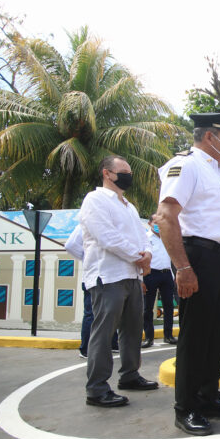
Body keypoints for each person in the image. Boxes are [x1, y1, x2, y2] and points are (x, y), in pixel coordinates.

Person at [155, 111, 220, 436]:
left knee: (217, 333)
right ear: (211, 136)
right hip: (196, 256)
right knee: (195, 337)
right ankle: (187, 407)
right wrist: (182, 267)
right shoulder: (187, 165)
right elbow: (166, 216)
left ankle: (208, 396)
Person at [79, 155, 158, 408]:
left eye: (129, 172)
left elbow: (142, 237)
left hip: (132, 276)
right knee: (103, 334)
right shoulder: (95, 200)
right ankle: (97, 389)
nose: (128, 176)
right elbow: (107, 237)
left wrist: (146, 253)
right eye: (123, 171)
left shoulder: (129, 206)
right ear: (107, 173)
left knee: (133, 330)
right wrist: (139, 257)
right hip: (108, 275)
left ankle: (130, 375)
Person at [65, 225, 119, 358]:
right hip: (93, 278)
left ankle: (112, 343)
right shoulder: (85, 225)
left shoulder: (110, 224)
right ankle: (85, 349)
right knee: (91, 314)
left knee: (111, 312)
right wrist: (87, 258)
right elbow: (71, 246)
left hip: (111, 277)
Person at [142, 216, 177, 348]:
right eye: (156, 223)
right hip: (151, 273)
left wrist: (173, 276)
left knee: (169, 306)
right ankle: (148, 338)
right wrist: (142, 277)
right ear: (150, 223)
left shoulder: (167, 237)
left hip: (166, 273)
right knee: (148, 307)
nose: (158, 225)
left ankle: (168, 336)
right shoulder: (145, 238)